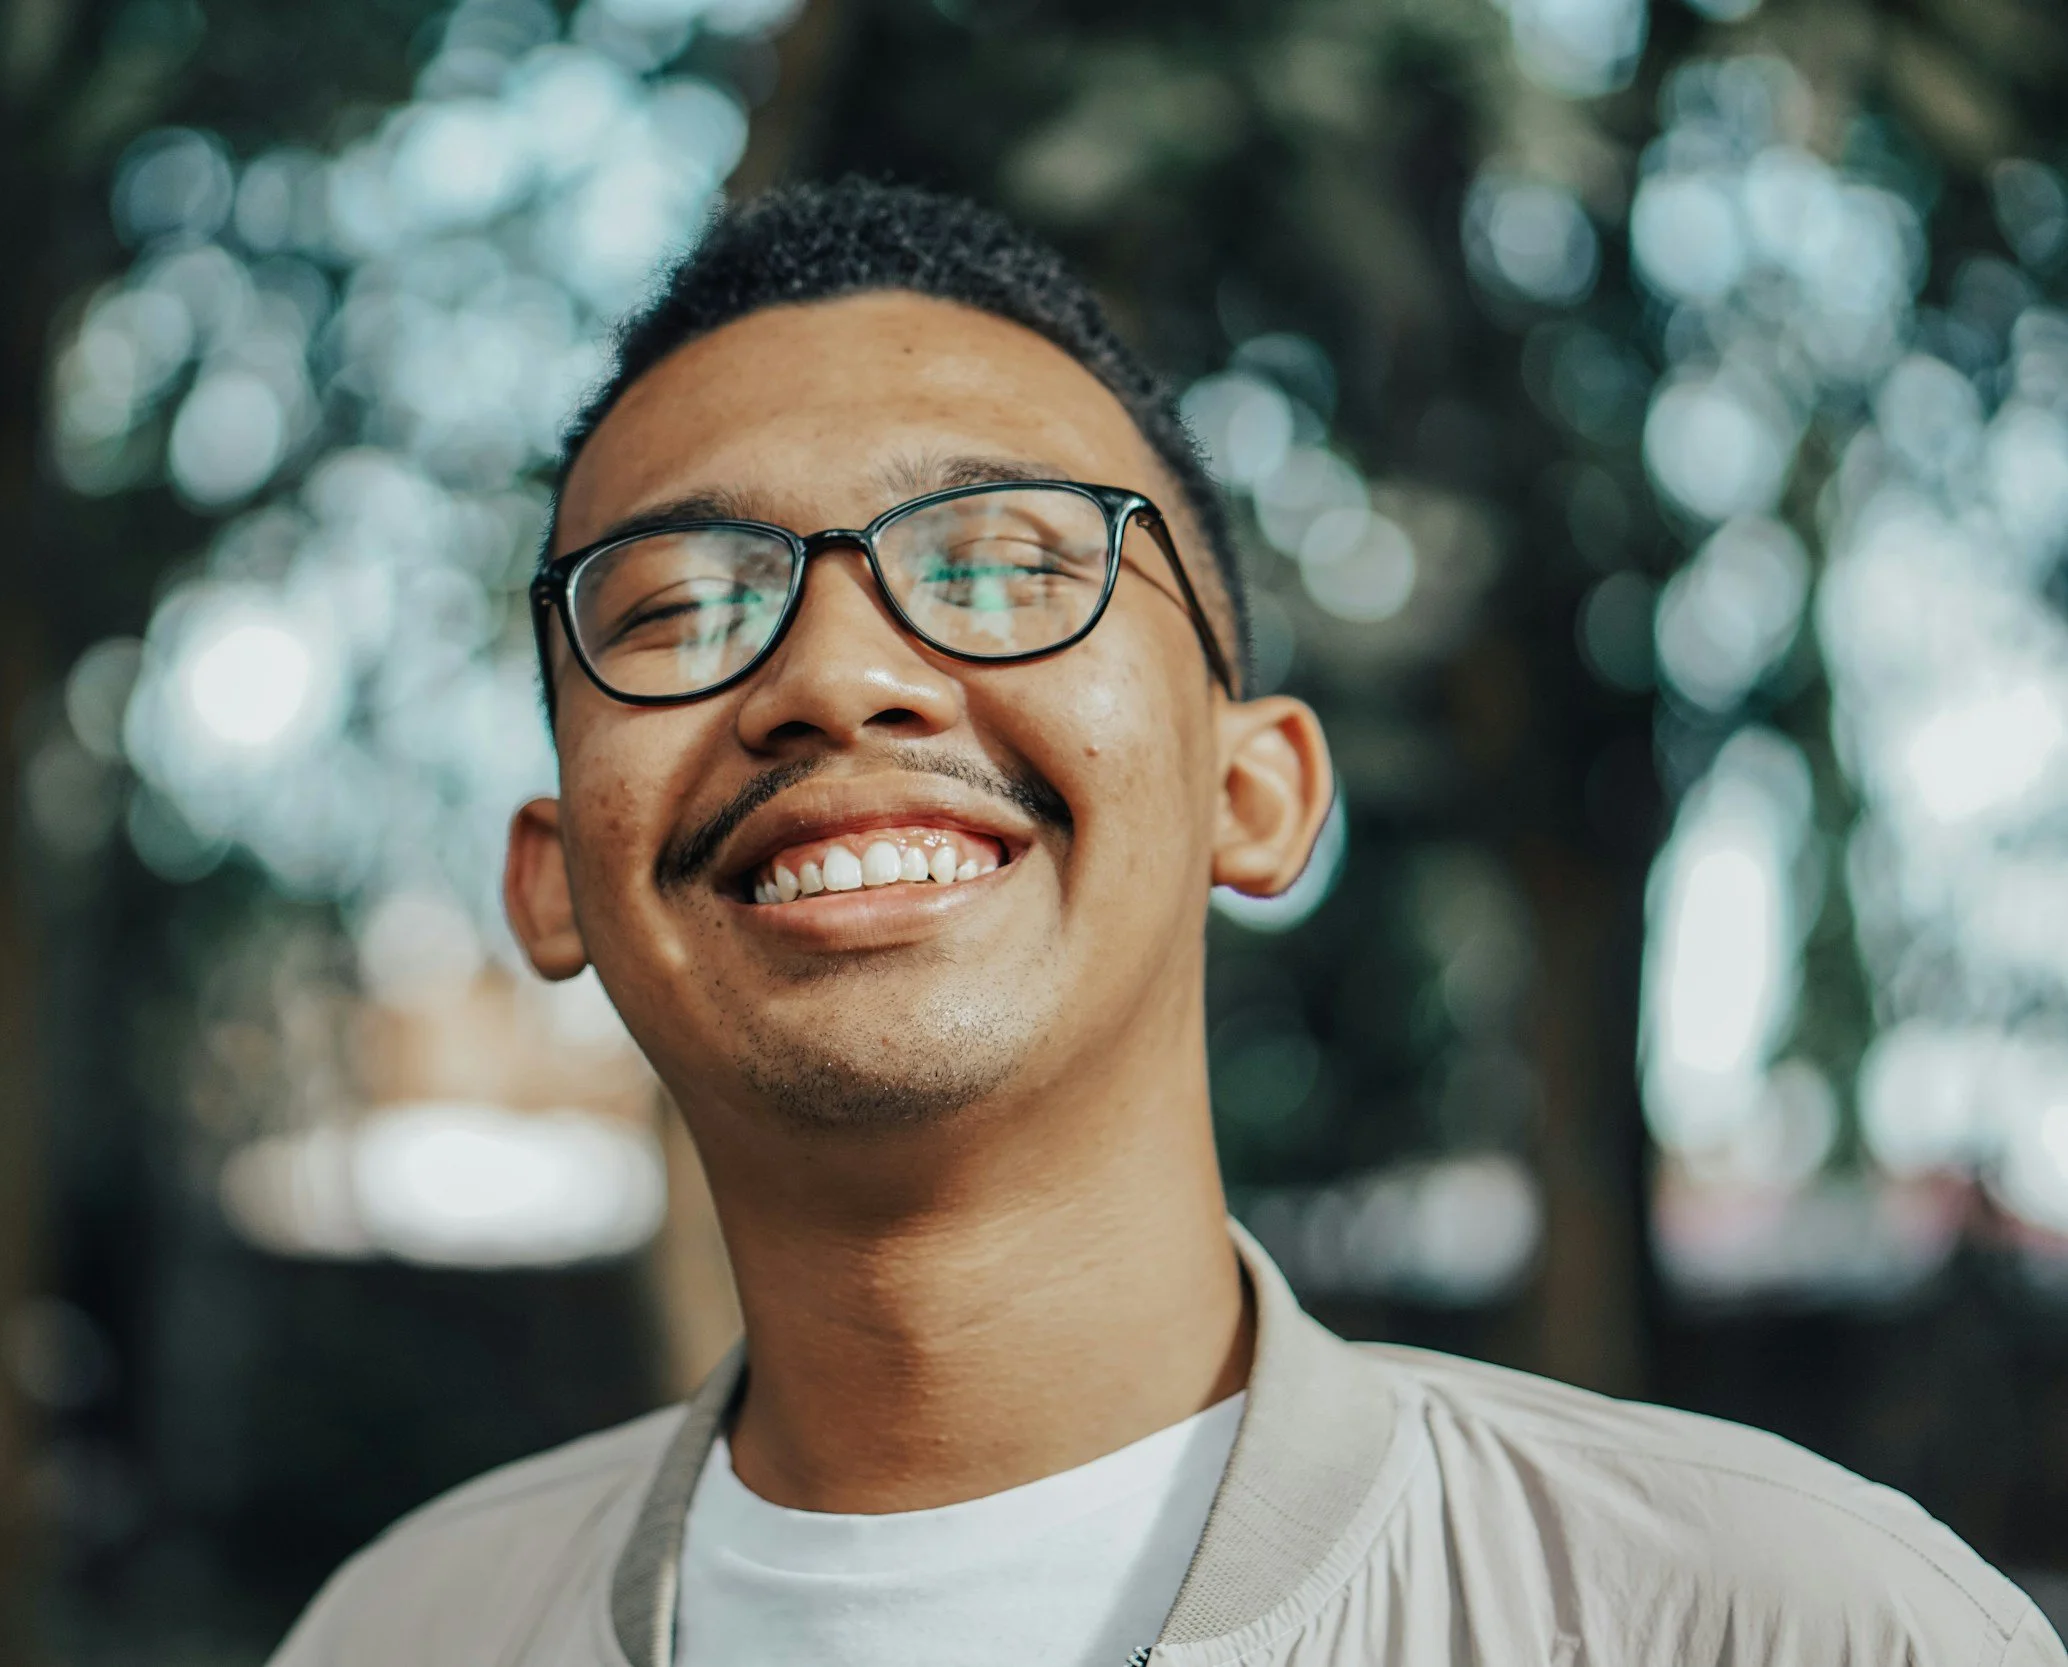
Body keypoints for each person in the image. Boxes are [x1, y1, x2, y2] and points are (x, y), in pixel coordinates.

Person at [267, 178, 2066, 1667]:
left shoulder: (1782, 1624)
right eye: (674, 606)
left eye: (999, 564)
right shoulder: (396, 1633)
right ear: (550, 873)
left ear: (1254, 789)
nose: (838, 673)